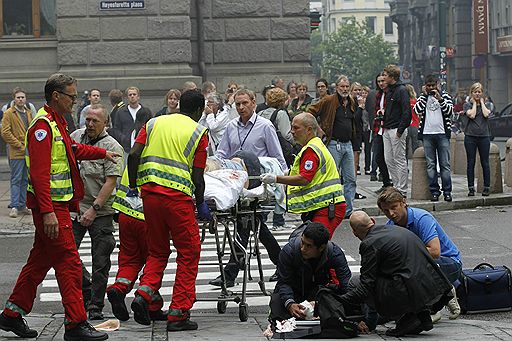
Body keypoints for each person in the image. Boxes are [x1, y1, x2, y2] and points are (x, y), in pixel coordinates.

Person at [0, 73, 120, 341]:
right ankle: (76, 324)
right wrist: (49, 212)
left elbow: (71, 149)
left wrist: (102, 152)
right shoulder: (43, 126)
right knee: (68, 262)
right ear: (56, 96)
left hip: (57, 206)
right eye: (71, 96)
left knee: (39, 260)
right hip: (52, 207)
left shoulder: (56, 123)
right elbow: (40, 176)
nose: (75, 101)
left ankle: (11, 315)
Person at [127, 89, 211, 331]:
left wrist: (133, 186)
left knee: (157, 250)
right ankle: (178, 313)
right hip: (177, 198)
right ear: (198, 110)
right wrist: (201, 202)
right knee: (189, 251)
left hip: (150, 195)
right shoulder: (198, 131)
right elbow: (198, 176)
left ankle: (144, 294)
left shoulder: (153, 123)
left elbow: (133, 155)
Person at [210, 88, 286, 287]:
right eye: (238, 104)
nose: (241, 107)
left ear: (254, 102)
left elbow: (278, 159)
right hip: (236, 183)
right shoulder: (231, 126)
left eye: (245, 103)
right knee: (255, 227)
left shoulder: (265, 126)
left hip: (257, 185)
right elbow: (222, 154)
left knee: (247, 224)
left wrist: (280, 185)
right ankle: (283, 265)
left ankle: (231, 272)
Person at [342, 211, 453, 337]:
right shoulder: (396, 230)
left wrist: (341, 301)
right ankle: (420, 316)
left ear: (354, 232)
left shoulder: (369, 243)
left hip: (408, 290)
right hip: (433, 288)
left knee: (355, 282)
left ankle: (404, 317)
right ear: (373, 220)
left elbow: (366, 284)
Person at [106, 107, 167, 323]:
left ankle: (119, 288)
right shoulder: (156, 155)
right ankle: (145, 298)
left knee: (130, 258)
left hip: (125, 216)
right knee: (155, 258)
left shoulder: (132, 152)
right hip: (147, 219)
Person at [70, 104, 124, 320]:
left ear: (106, 124)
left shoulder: (113, 147)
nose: (90, 124)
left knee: (100, 260)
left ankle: (95, 306)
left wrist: (94, 209)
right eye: (88, 119)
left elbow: (110, 182)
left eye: (95, 121)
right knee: (66, 254)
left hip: (100, 211)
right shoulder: (75, 137)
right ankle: (86, 287)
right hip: (75, 208)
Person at [377, 187, 462, 321]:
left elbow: (435, 251)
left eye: (394, 207)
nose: (391, 213)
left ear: (403, 202)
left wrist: (405, 254)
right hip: (427, 264)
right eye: (386, 211)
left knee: (414, 267)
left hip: (449, 263)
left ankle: (434, 307)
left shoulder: (422, 218)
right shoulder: (391, 226)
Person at [260, 113, 346, 237]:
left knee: (316, 246)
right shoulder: (314, 145)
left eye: (296, 128)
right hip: (325, 205)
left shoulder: (311, 149)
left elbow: (304, 178)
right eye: (292, 127)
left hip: (327, 207)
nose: (292, 131)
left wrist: (276, 178)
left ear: (309, 130)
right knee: (315, 246)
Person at [269, 222, 351, 322]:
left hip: (317, 293)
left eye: (308, 246)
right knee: (278, 314)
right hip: (293, 291)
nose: (303, 249)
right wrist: (290, 303)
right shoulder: (289, 251)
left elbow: (346, 284)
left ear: (321, 248)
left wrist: (320, 303)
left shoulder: (334, 253)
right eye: (302, 242)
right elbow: (284, 282)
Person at [308, 75, 359, 218]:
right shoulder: (329, 100)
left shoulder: (351, 101)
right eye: (342, 86)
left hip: (347, 144)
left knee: (350, 179)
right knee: (332, 179)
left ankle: (348, 210)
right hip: (333, 144)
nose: (345, 89)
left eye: (347, 86)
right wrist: (318, 128)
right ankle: (330, 207)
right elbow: (311, 111)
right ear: (336, 88)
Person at [414, 75, 454, 202]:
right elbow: (416, 110)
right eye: (429, 86)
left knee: (445, 165)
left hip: (442, 134)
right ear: (425, 86)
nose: (431, 88)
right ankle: (434, 192)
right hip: (427, 134)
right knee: (431, 165)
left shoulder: (445, 96)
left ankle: (447, 192)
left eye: (433, 85)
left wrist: (440, 99)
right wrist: (425, 96)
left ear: (438, 84)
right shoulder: (422, 97)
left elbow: (450, 112)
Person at [1, 87, 34, 218]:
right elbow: (5, 132)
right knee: (16, 179)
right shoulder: (9, 113)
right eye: (18, 97)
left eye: (22, 97)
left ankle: (22, 204)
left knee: (25, 179)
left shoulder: (29, 112)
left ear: (26, 99)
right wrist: (18, 145)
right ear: (14, 99)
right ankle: (14, 206)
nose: (20, 99)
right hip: (16, 152)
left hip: (28, 152)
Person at [381, 64, 411, 197]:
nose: (383, 77)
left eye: (386, 75)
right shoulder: (390, 90)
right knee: (389, 159)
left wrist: (400, 130)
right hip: (387, 128)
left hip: (396, 130)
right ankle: (396, 185)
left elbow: (407, 112)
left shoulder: (401, 90)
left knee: (399, 159)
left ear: (392, 77)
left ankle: (402, 189)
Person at [462, 82, 492, 196]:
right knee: (471, 162)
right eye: (475, 92)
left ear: (482, 93)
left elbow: (486, 114)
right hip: (470, 136)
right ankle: (471, 188)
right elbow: (472, 115)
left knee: (485, 162)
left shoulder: (487, 105)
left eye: (479, 92)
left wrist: (482, 103)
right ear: (472, 93)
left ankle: (486, 187)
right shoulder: (467, 105)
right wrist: (474, 103)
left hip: (484, 136)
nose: (477, 94)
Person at [111, 86, 152, 154]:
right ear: (127, 97)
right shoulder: (120, 112)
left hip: (143, 147)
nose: (132, 96)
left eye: (134, 94)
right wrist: (124, 139)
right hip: (126, 149)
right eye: (130, 95)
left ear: (138, 97)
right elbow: (116, 130)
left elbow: (150, 128)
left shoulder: (146, 112)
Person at [405, 84, 420, 159]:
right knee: (415, 145)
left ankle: (405, 165)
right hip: (415, 124)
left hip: (406, 125)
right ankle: (416, 163)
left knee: (405, 146)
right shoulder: (416, 101)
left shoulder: (404, 101)